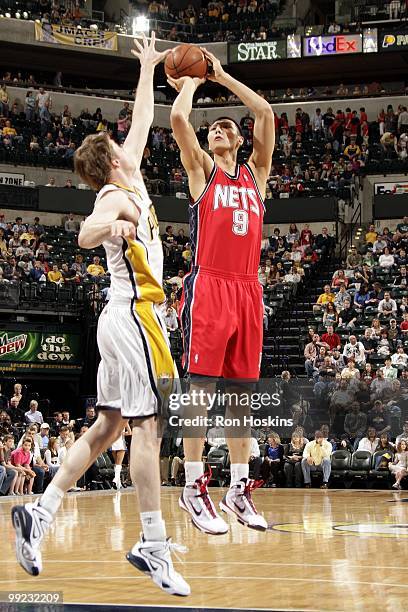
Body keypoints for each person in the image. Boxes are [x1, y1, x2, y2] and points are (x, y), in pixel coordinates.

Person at [11, 34, 189, 597]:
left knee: (108, 424)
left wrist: (146, 68)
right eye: (119, 144)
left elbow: (142, 117)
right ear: (111, 159)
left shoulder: (129, 172)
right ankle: (153, 543)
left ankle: (41, 512)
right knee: (148, 426)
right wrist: (109, 228)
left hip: (123, 318)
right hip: (134, 316)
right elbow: (87, 230)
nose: (128, 142)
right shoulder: (115, 195)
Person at [169, 47, 274, 533]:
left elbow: (264, 113)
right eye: (214, 128)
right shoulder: (201, 173)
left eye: (227, 127)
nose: (219, 129)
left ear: (239, 139)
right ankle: (193, 484)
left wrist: (222, 76)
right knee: (201, 387)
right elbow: (177, 120)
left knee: (241, 395)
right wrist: (190, 82)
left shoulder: (256, 174)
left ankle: (237, 485)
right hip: (210, 284)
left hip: (248, 290)